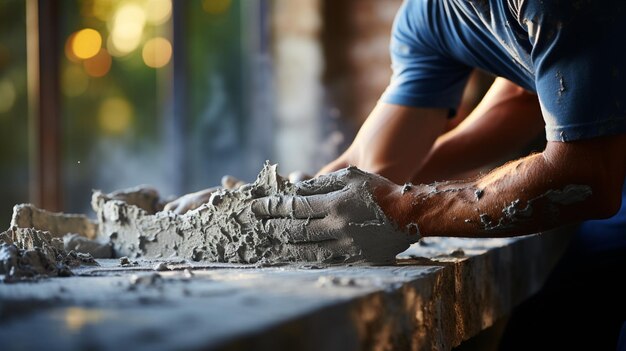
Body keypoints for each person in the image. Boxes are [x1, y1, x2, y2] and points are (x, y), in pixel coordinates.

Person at [167, 0, 626, 348]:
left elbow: (587, 175)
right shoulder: (428, 17)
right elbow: (522, 99)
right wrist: (279, 201)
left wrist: (403, 209)